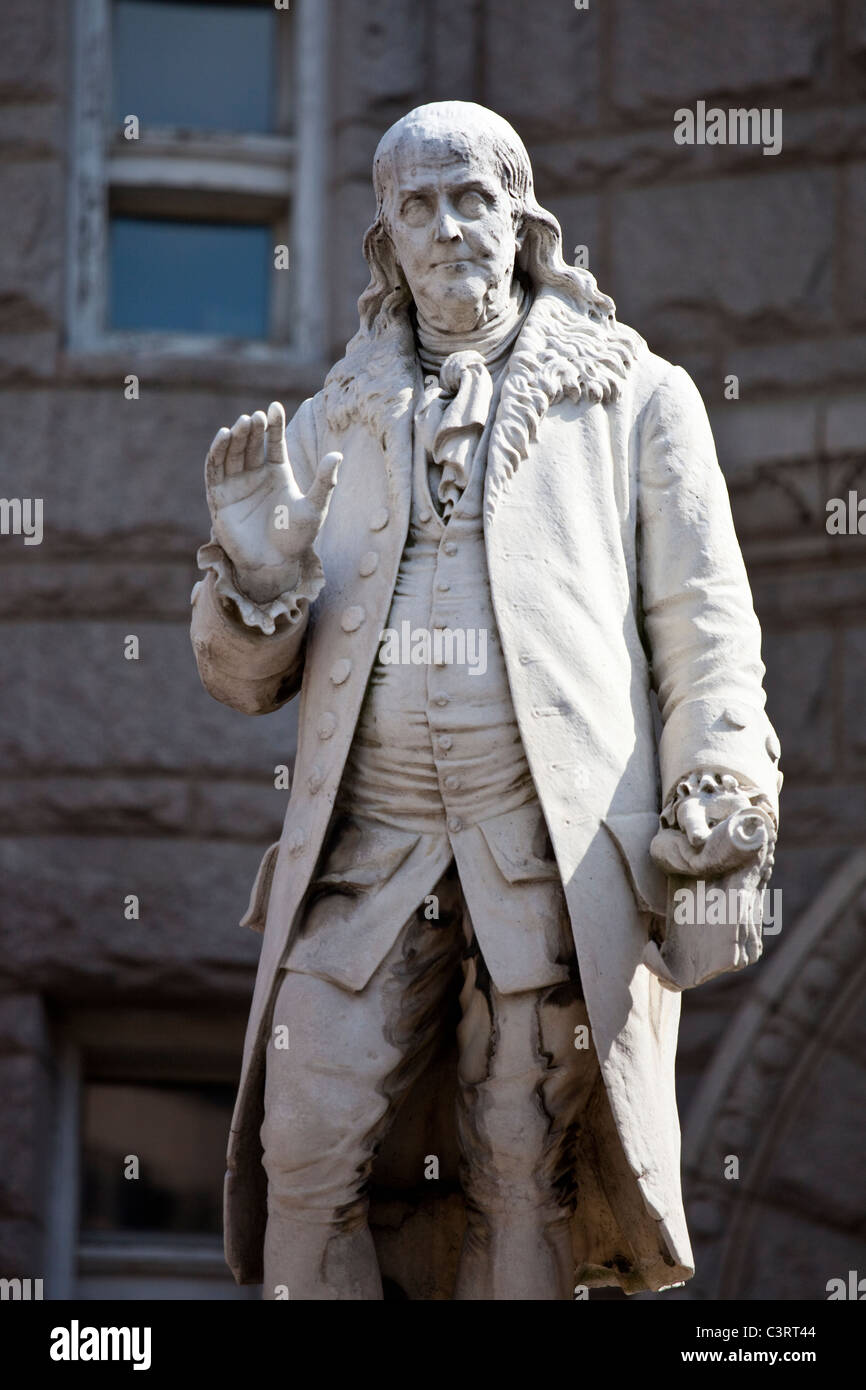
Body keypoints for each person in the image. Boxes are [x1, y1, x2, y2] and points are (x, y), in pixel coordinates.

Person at [190, 101, 781, 1300]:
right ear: (385, 242)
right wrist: (253, 572)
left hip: (546, 855)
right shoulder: (326, 424)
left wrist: (718, 784)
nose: (449, 224)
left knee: (527, 1169)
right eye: (418, 205)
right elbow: (245, 682)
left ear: (522, 219)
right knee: (299, 1149)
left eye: (472, 197)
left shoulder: (636, 398)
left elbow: (704, 625)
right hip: (369, 859)